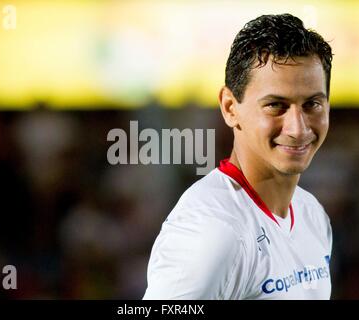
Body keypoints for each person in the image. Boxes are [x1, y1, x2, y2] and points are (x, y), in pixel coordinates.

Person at [143, 13, 334, 299]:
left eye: (312, 104)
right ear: (230, 108)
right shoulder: (211, 232)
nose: (298, 128)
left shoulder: (312, 214)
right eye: (275, 105)